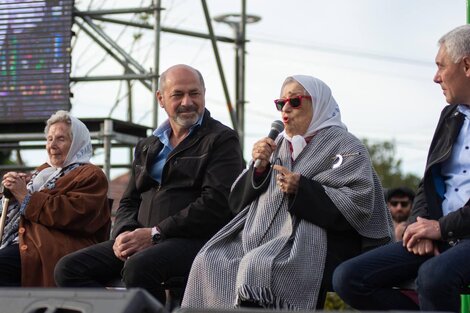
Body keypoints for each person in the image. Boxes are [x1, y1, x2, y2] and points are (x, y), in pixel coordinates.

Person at [181, 75, 393, 310]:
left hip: (323, 240)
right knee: (210, 259)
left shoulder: (345, 145)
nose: (286, 109)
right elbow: (235, 203)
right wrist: (258, 169)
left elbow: (358, 202)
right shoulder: (277, 144)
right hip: (261, 235)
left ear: (318, 104)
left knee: (257, 265)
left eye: (295, 101)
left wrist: (301, 188)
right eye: (281, 103)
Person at [54, 64, 244, 303]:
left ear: (204, 94)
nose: (187, 101)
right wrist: (124, 235)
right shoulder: (148, 145)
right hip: (142, 240)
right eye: (178, 94)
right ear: (161, 99)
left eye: (194, 93)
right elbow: (129, 201)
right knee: (68, 269)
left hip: (196, 242)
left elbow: (216, 203)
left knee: (139, 267)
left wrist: (156, 234)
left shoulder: (221, 139)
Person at [333, 24, 470, 313]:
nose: (436, 77)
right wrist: (417, 226)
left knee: (433, 277)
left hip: (459, 233)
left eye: (440, 66)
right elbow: (429, 181)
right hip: (442, 234)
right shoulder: (450, 116)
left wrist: (439, 228)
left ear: (467, 65)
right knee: (347, 278)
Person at [0, 110, 110, 287]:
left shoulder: (91, 175)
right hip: (25, 243)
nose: (52, 145)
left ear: (76, 143)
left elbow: (69, 213)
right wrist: (10, 192)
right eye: (49, 139)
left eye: (61, 139)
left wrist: (24, 195)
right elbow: (9, 212)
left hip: (56, 249)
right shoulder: (42, 173)